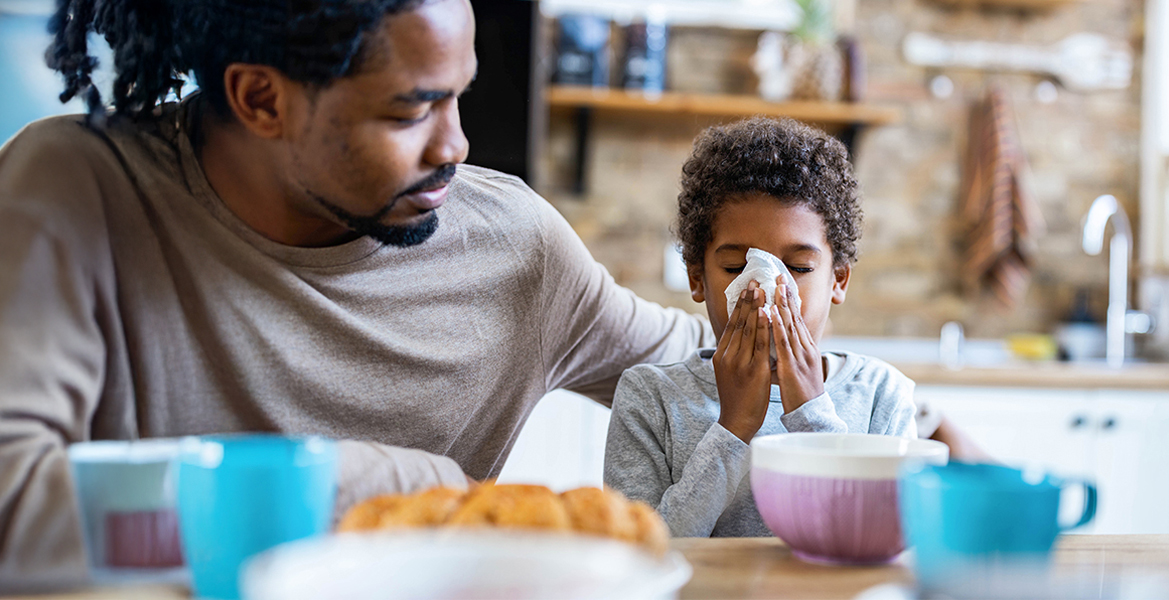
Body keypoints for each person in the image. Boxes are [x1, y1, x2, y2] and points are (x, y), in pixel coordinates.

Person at [0, 0, 713, 585]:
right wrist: (383, 483)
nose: (455, 146)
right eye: (410, 111)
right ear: (262, 99)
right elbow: (12, 502)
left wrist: (784, 296)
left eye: (458, 95)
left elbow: (716, 373)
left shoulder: (516, 246)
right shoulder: (76, 191)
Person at [604, 117, 917, 537]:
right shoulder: (650, 399)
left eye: (799, 267)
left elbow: (884, 540)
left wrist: (812, 416)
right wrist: (732, 429)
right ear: (697, 278)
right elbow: (639, 557)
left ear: (838, 280)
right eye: (736, 267)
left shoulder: (882, 396)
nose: (768, 293)